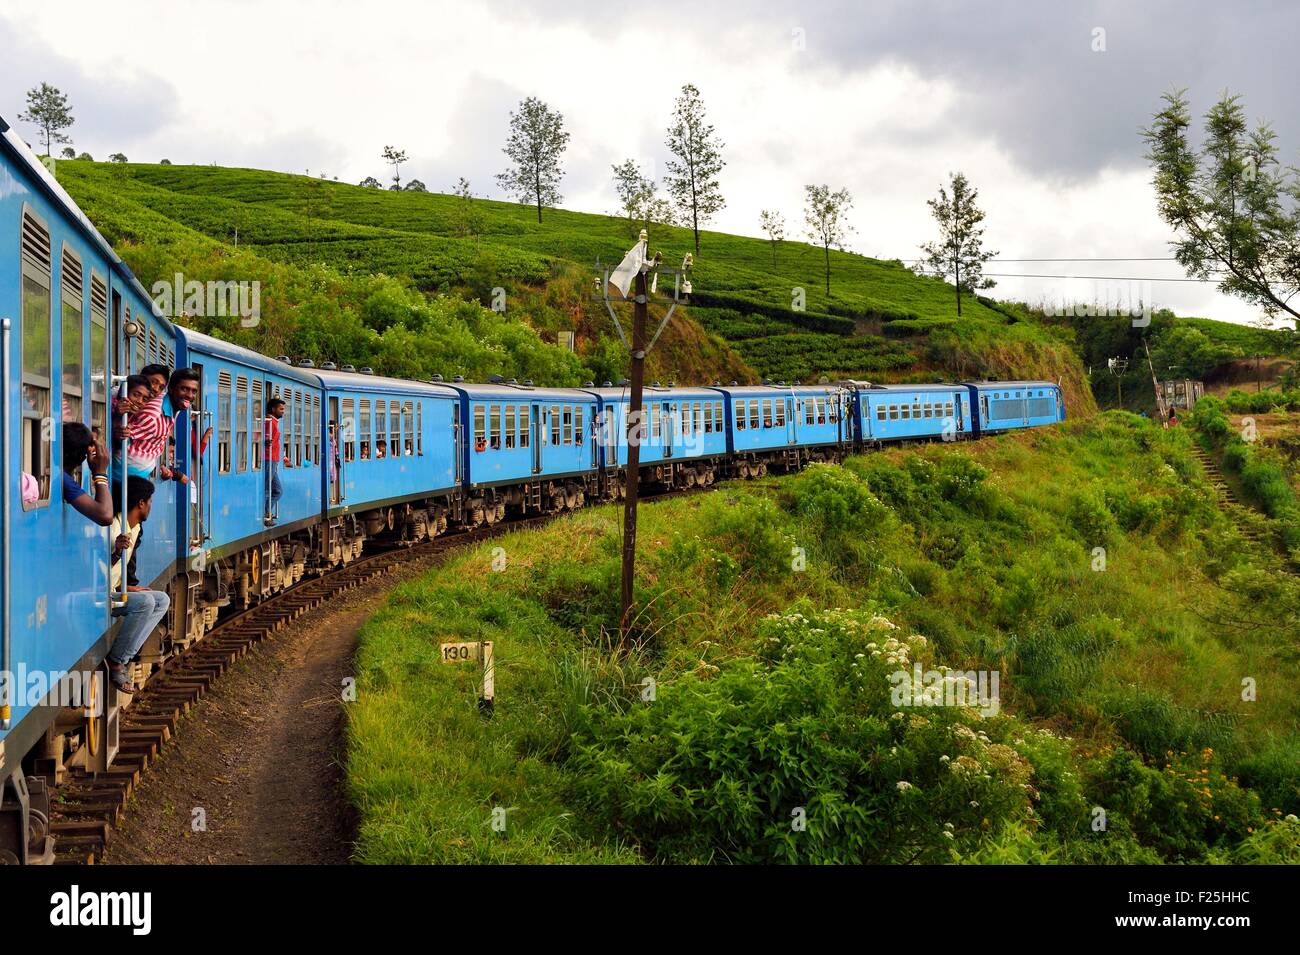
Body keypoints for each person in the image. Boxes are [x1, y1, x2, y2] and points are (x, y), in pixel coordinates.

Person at [107, 477, 170, 693]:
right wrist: (115, 553)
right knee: (145, 602)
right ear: (141, 503)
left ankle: (125, 655)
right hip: (100, 594)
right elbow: (95, 568)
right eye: (150, 501)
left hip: (114, 591)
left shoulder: (134, 529)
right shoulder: (115, 527)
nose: (152, 505)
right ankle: (117, 661)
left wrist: (126, 586)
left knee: (162, 599)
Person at [121, 367, 202, 480]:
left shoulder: (173, 407)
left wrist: (159, 466)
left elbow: (152, 444)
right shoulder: (154, 415)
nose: (189, 395)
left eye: (194, 391)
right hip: (125, 479)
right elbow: (121, 441)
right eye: (184, 389)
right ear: (171, 389)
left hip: (139, 477)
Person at [62, 422, 115, 526]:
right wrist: (100, 473)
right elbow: (106, 516)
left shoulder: (63, 476)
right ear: (82, 457)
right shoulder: (64, 480)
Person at [262, 397, 291, 525]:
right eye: (281, 409)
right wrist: (266, 441)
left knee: (278, 490)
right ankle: (266, 515)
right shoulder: (269, 422)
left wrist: (284, 458)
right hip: (269, 459)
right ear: (273, 409)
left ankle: (267, 512)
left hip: (273, 460)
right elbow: (265, 438)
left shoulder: (273, 422)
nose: (283, 411)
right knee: (268, 489)